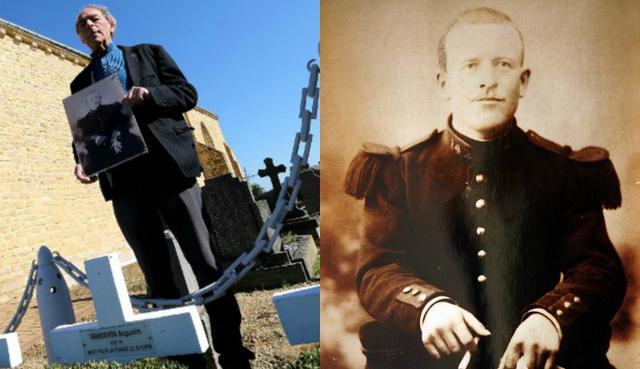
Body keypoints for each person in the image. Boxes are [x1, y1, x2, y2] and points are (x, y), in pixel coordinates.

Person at [344, 7, 626, 369]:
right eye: (471, 65)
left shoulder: (563, 170)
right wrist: (428, 307)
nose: (487, 80)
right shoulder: (398, 171)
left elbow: (597, 268)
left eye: (503, 65)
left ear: (523, 81)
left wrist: (550, 317)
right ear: (444, 83)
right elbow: (377, 270)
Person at [70, 5, 254, 369]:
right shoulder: (80, 84)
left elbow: (186, 93)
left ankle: (232, 352)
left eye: (94, 18)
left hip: (169, 169)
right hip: (124, 184)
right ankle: (192, 358)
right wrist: (81, 160)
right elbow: (83, 135)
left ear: (110, 25)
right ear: (79, 37)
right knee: (157, 275)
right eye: (80, 24)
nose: (88, 25)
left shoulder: (149, 53)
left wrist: (151, 95)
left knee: (206, 263)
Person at [74, 91, 146, 176]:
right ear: (88, 102)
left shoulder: (112, 108)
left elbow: (123, 121)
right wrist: (95, 138)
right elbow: (82, 137)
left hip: (119, 140)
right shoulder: (82, 122)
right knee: (89, 166)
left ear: (100, 99)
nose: (94, 101)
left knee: (137, 143)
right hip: (98, 150)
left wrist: (117, 133)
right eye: (91, 99)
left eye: (96, 98)